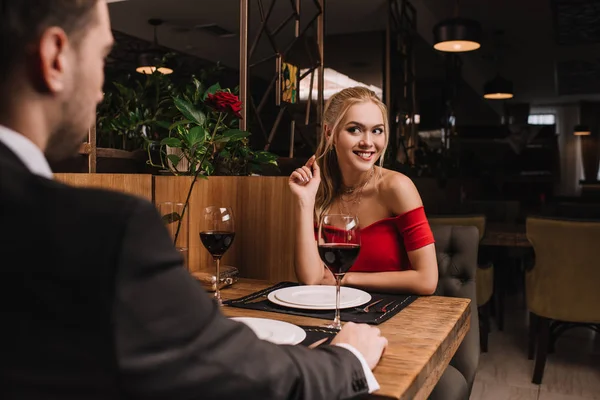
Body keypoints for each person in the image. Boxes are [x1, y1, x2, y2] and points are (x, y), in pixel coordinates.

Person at [0, 1, 387, 399]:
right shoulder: (103, 231)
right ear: (55, 58)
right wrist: (349, 360)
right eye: (101, 56)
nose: (101, 87)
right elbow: (240, 374)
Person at [289, 87, 438, 294]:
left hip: (396, 316)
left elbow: (427, 280)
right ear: (330, 132)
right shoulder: (317, 188)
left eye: (377, 130)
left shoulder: (397, 187)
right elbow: (311, 279)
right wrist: (305, 202)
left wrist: (346, 278)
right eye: (354, 129)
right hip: (335, 313)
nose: (368, 142)